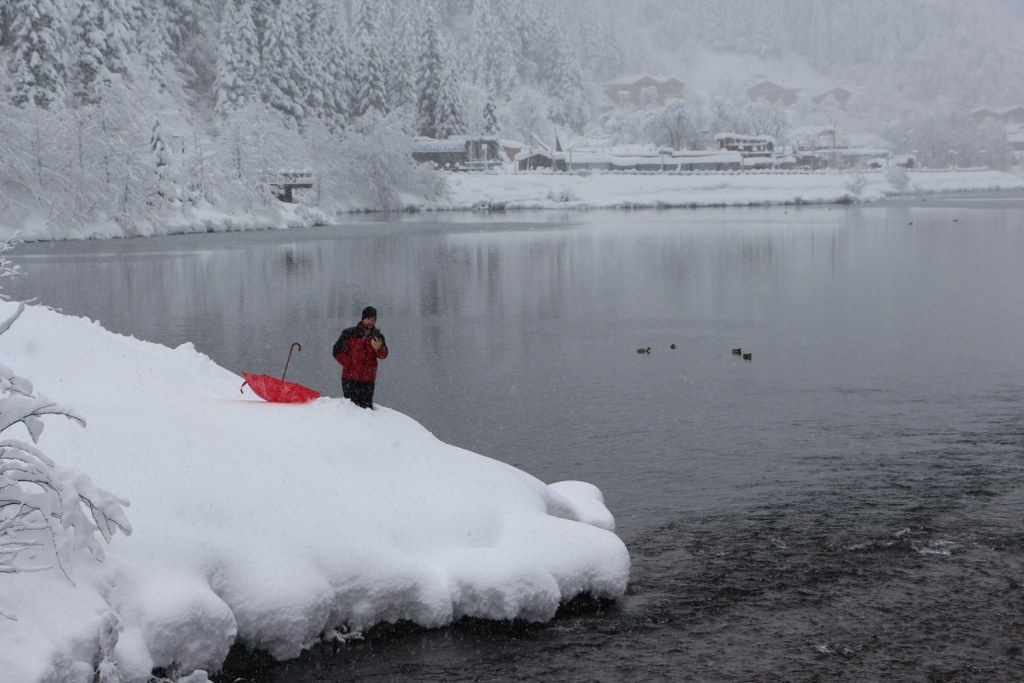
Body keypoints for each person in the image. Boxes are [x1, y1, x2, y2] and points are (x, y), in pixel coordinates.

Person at [332, 306, 388, 409]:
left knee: (366, 409)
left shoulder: (378, 336)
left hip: (368, 380)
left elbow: (384, 355)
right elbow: (336, 351)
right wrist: (349, 364)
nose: (371, 322)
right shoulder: (349, 333)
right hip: (349, 379)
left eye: (373, 319)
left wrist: (378, 348)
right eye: (368, 319)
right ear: (363, 318)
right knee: (350, 409)